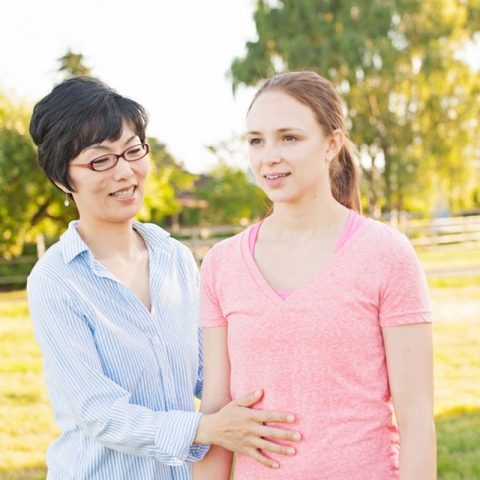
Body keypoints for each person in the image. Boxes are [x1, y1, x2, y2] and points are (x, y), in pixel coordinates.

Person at [27, 76, 300, 480]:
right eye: (100, 159)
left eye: (133, 151)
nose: (125, 172)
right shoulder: (54, 280)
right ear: (61, 178)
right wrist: (205, 428)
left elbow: (211, 371)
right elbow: (99, 414)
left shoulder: (175, 258)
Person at [194, 71, 436, 479]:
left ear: (332, 144)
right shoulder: (221, 264)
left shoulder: (386, 254)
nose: (269, 155)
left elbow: (416, 419)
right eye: (256, 140)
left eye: (289, 137)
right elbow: (218, 417)